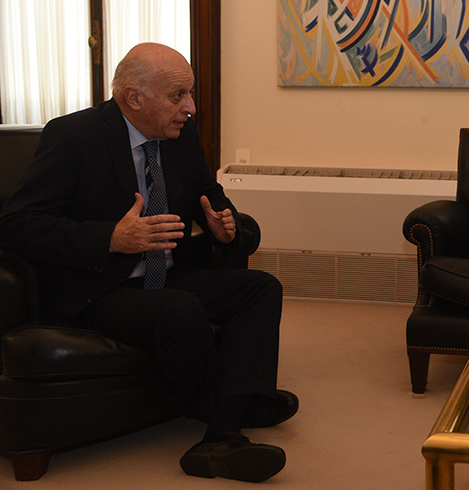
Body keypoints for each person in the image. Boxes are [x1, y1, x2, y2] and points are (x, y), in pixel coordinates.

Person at [0, 43, 297, 482]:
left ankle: (229, 418)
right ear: (134, 97)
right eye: (178, 95)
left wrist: (223, 221)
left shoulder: (182, 135)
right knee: (180, 310)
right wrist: (111, 238)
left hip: (167, 274)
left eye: (190, 93)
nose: (190, 107)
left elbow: (206, 191)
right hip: (100, 288)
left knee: (261, 288)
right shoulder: (73, 136)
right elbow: (16, 225)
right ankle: (229, 422)